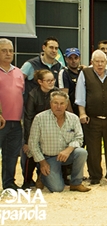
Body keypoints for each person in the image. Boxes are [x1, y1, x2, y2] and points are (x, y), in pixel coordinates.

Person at [75, 50, 107, 185]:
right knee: (93, 149)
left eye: (103, 61)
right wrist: (82, 113)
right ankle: (95, 176)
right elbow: (80, 95)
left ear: (106, 62)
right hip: (92, 118)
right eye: (97, 61)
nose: (100, 64)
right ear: (92, 62)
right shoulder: (85, 74)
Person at [28, 90, 90, 192]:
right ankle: (42, 176)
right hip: (48, 157)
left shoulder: (73, 118)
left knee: (81, 152)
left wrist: (68, 150)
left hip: (67, 155)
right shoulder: (40, 118)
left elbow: (79, 138)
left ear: (66, 105)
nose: (58, 106)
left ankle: (76, 183)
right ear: (50, 104)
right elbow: (33, 144)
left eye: (62, 103)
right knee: (57, 188)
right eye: (55, 103)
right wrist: (43, 163)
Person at [22, 69, 60, 189]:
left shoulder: (56, 93)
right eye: (48, 80)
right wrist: (28, 141)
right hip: (35, 129)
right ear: (40, 82)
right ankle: (27, 181)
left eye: (52, 80)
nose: (51, 82)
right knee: (30, 153)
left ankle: (43, 178)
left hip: (52, 130)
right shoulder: (33, 94)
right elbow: (28, 117)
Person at [0, 38, 24, 190]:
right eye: (4, 51)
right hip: (0, 120)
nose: (8, 54)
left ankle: (9, 184)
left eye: (10, 50)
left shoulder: (19, 72)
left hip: (16, 122)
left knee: (11, 156)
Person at [20, 36, 62, 103]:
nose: (54, 51)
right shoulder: (30, 64)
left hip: (50, 107)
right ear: (44, 48)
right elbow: (17, 83)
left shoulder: (59, 66)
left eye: (56, 48)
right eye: (51, 47)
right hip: (31, 107)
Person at [59, 47, 84, 117]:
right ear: (66, 59)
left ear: (79, 58)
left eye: (76, 58)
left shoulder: (83, 72)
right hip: (71, 110)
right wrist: (71, 114)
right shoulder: (64, 73)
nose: (73, 61)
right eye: (70, 58)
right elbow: (65, 95)